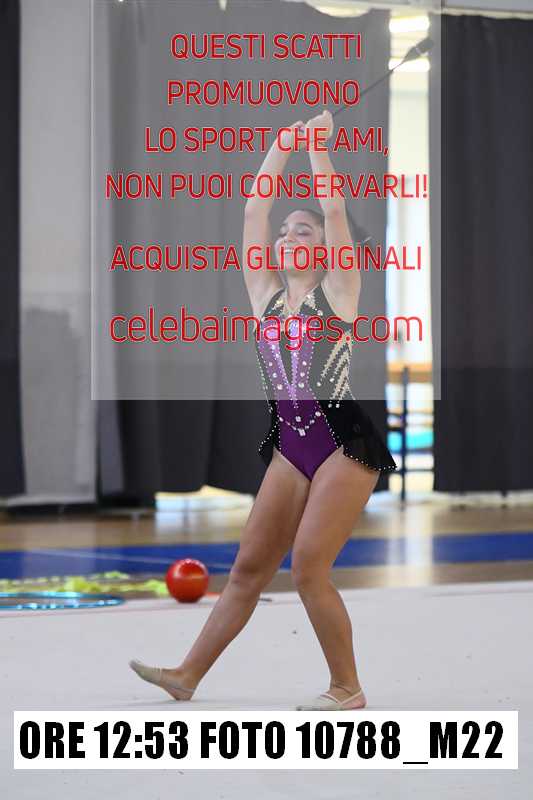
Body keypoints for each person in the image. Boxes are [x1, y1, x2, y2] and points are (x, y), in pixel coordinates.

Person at [130, 110, 397, 710]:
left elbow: (334, 211)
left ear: (327, 249)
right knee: (248, 567)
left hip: (343, 444)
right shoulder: (265, 296)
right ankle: (187, 674)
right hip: (290, 446)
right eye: (286, 233)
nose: (288, 238)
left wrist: (318, 148)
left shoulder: (339, 292)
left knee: (307, 568)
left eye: (303, 232)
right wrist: (281, 145)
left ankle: (347, 688)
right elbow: (254, 210)